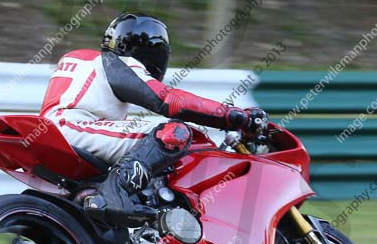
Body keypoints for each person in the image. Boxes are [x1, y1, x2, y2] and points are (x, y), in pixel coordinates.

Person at [40, 12, 267, 226]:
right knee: (174, 133)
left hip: (54, 132)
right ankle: (114, 193)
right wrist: (234, 116)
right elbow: (166, 100)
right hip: (72, 128)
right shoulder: (114, 62)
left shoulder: (80, 61)